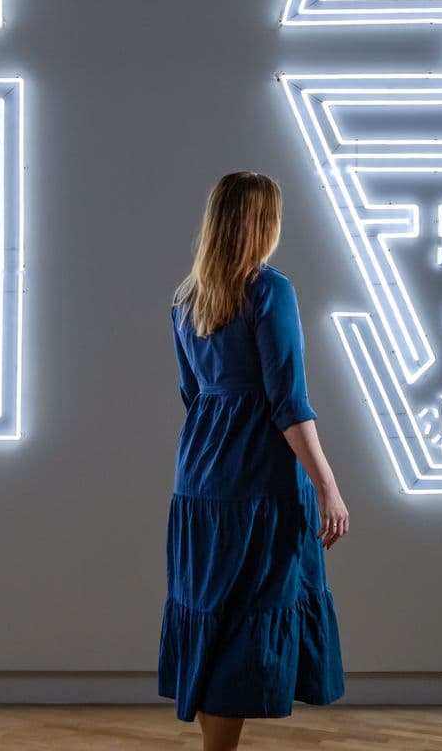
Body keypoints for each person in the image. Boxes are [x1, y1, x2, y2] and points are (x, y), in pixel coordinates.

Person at [158, 171, 348, 750]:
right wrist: (328, 485)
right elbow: (288, 403)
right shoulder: (270, 290)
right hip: (259, 477)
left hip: (200, 477)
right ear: (264, 223)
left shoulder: (186, 300)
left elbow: (193, 395)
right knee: (252, 610)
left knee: (217, 608)